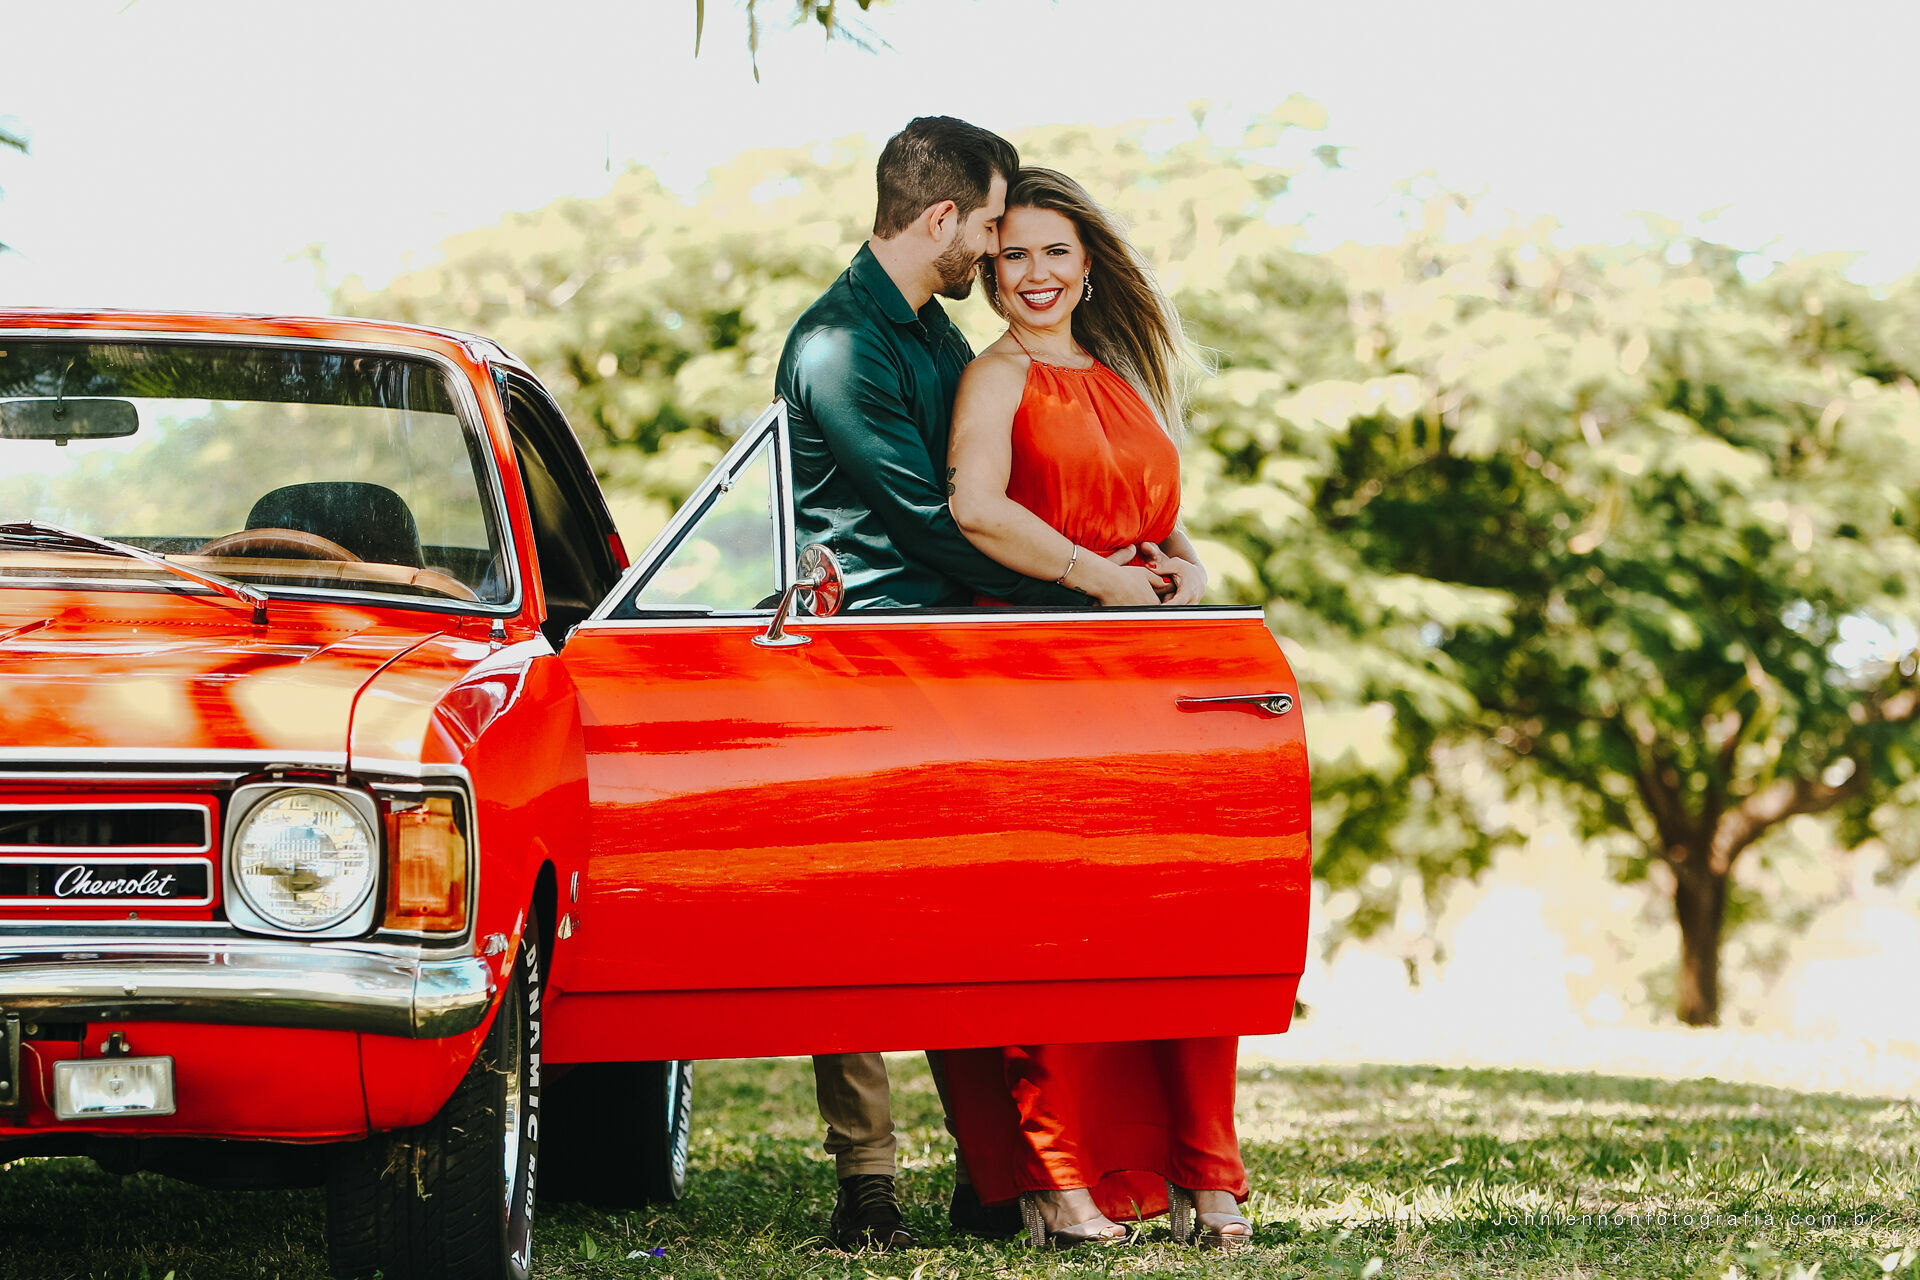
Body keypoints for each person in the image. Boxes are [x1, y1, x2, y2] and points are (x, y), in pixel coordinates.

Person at [775, 117, 1106, 1252]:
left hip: (957, 655)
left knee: (973, 910)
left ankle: (992, 1171)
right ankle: (867, 1184)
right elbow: (935, 523)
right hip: (863, 663)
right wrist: (1090, 587)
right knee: (854, 925)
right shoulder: (836, 346)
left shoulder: (931, 336)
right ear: (940, 221)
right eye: (990, 229)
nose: (998, 250)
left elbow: (991, 499)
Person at [940, 166, 1253, 1250]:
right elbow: (975, 509)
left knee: (1183, 923)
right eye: (1013, 253)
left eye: (1054, 252)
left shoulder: (1122, 374)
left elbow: (1159, 518)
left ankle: (1210, 1176)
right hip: (1043, 672)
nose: (1034, 273)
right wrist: (1095, 574)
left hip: (1150, 675)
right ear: (990, 269)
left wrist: (1183, 565)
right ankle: (1062, 1182)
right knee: (1053, 933)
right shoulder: (994, 378)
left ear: (1088, 265)